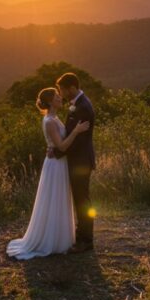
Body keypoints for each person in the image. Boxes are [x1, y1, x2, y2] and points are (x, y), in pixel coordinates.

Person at [6, 87, 90, 260]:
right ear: (50, 101)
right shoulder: (49, 121)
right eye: (57, 96)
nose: (60, 97)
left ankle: (60, 237)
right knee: (54, 199)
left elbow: (57, 146)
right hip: (55, 165)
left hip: (60, 163)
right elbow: (62, 147)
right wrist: (76, 131)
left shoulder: (55, 117)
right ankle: (51, 240)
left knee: (59, 199)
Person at [49, 72, 96, 253]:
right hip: (78, 160)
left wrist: (58, 152)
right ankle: (82, 236)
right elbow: (71, 134)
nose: (60, 93)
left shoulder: (83, 107)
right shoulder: (77, 104)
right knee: (80, 199)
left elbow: (77, 140)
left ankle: (86, 241)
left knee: (82, 200)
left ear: (72, 88)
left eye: (62, 89)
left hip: (81, 161)